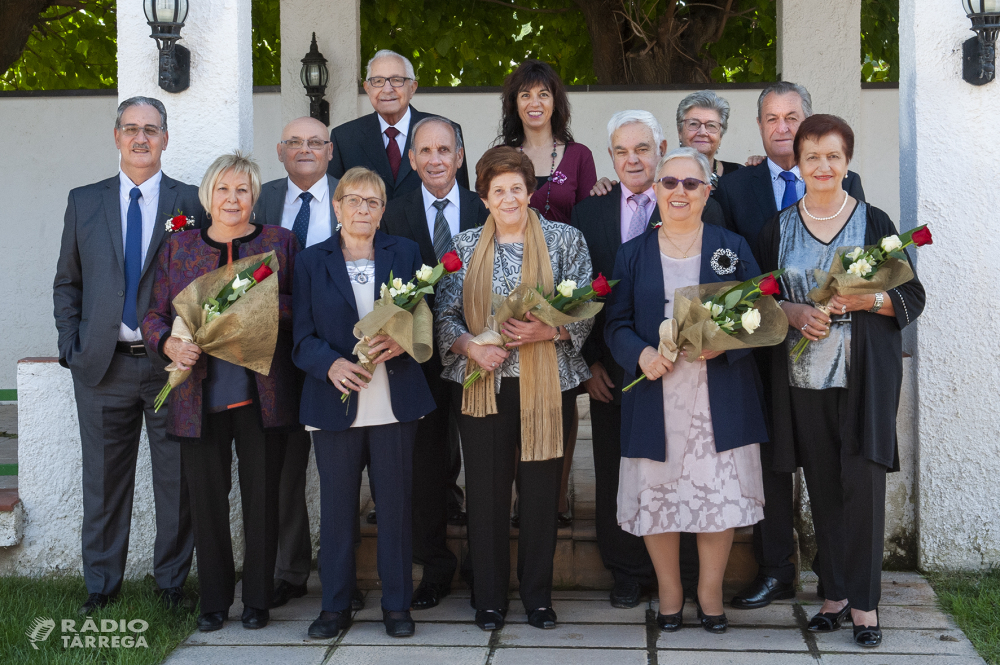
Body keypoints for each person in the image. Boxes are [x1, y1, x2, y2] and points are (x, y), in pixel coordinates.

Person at [755, 115, 924, 647]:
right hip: (803, 377)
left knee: (864, 486)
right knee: (823, 487)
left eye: (833, 156)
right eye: (812, 157)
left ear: (846, 161)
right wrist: (793, 310)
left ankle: (866, 605)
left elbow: (911, 297)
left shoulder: (874, 223)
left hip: (863, 378)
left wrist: (866, 300)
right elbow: (759, 296)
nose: (822, 166)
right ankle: (833, 595)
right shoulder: (776, 227)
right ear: (798, 164)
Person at [715, 81, 866, 611]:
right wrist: (784, 314)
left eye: (792, 116)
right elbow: (734, 275)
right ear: (759, 127)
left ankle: (836, 577)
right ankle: (777, 568)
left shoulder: (848, 182)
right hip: (761, 355)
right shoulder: (733, 189)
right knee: (775, 466)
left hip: (831, 357)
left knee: (834, 468)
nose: (782, 126)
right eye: (772, 118)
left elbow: (857, 264)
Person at [605, 147, 767, 634]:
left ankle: (710, 594)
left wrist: (726, 345)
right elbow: (615, 324)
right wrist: (640, 355)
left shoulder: (730, 246)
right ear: (655, 190)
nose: (679, 192)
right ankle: (671, 594)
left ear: (707, 191)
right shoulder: (633, 253)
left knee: (716, 499)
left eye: (690, 184)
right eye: (669, 183)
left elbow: (758, 314)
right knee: (660, 499)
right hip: (656, 393)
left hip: (717, 395)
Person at [434, 146, 594, 631]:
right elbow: (443, 314)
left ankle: (538, 598)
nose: (508, 198)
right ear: (483, 197)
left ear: (531, 192)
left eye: (517, 189)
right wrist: (469, 347)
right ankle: (488, 599)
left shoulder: (565, 239)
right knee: (485, 494)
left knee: (542, 494)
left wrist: (554, 331)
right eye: (498, 190)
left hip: (548, 386)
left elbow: (586, 300)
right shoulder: (461, 247)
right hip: (484, 385)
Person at [53, 96, 201, 615]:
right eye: (131, 129)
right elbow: (68, 283)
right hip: (101, 365)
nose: (142, 138)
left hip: (170, 368)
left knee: (176, 480)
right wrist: (71, 346)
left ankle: (170, 586)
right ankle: (101, 586)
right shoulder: (84, 201)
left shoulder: (190, 202)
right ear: (116, 136)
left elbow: (202, 283)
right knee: (104, 482)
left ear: (166, 137)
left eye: (152, 129)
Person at [142, 152, 299, 632]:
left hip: (262, 396)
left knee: (263, 499)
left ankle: (256, 601)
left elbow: (301, 306)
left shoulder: (278, 243)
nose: (233, 199)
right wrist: (168, 343)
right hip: (197, 398)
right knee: (206, 501)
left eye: (243, 190)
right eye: (224, 190)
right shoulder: (180, 248)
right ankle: (213, 602)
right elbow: (154, 315)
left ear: (255, 197)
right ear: (208, 196)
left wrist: (259, 307)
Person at [293, 167, 434, 639]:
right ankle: (334, 605)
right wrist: (331, 365)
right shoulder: (311, 261)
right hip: (334, 400)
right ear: (336, 208)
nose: (362, 210)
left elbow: (421, 317)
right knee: (336, 510)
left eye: (372, 202)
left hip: (393, 401)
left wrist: (404, 340)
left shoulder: (406, 252)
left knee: (395, 507)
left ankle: (397, 605)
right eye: (353, 201)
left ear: (382, 211)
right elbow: (301, 338)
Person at [381, 115, 489, 610]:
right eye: (424, 151)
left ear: (459, 156)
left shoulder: (484, 207)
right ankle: (436, 566)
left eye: (444, 150)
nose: (435, 159)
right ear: (412, 159)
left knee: (485, 461)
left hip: (481, 355)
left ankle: (483, 566)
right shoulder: (393, 212)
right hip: (418, 359)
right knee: (424, 468)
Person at [571, 110, 665, 609]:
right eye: (622, 151)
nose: (633, 159)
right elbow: (576, 294)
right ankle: (625, 571)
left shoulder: (683, 202)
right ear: (610, 157)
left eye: (642, 149)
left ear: (660, 149)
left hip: (672, 365)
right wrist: (588, 364)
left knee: (666, 469)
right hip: (609, 368)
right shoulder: (590, 215)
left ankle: (671, 571)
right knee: (615, 470)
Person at [497, 59, 597, 526]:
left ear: (556, 102)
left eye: (543, 94)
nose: (534, 103)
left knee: (563, 391)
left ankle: (556, 494)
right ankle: (521, 494)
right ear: (514, 104)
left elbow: (590, 214)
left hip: (563, 284)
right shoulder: (503, 152)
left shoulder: (577, 155)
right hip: (513, 280)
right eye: (525, 95)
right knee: (515, 396)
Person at [252, 116, 340, 610]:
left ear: (330, 151)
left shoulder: (353, 194)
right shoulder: (259, 197)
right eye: (294, 143)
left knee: (344, 462)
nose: (305, 149)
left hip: (338, 352)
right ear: (281, 151)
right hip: (273, 354)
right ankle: (288, 570)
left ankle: (340, 568)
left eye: (315, 142)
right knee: (282, 467)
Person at [327, 49, 470, 200]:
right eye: (377, 81)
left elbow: (461, 198)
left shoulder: (446, 130)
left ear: (412, 88)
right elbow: (336, 201)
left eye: (396, 80)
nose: (387, 89)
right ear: (367, 88)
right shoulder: (344, 137)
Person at [675, 90, 741, 189]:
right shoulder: (663, 175)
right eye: (693, 124)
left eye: (711, 125)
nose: (702, 132)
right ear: (680, 131)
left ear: (721, 135)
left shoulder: (739, 175)